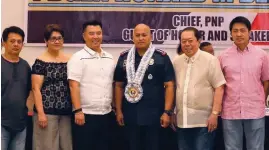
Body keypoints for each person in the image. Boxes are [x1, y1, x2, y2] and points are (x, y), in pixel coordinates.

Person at [114, 23, 175, 150]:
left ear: (150, 36)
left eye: (144, 35)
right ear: (132, 37)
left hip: (155, 115)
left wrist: (167, 112)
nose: (141, 38)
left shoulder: (161, 57)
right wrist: (118, 111)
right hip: (130, 114)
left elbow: (169, 85)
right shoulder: (124, 57)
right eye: (137, 35)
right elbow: (118, 86)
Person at [218, 16, 269, 150]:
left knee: (256, 147)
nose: (239, 34)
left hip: (255, 109)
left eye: (242, 30)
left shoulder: (262, 55)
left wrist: (260, 100)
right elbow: (219, 84)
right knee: (232, 147)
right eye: (235, 31)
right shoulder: (223, 56)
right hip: (230, 110)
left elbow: (266, 81)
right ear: (231, 33)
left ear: (249, 32)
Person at [172, 27, 226, 150]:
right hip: (182, 121)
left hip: (204, 122)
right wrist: (173, 112)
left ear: (198, 41)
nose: (187, 44)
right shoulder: (176, 61)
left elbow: (219, 87)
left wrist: (214, 114)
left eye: (190, 41)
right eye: (183, 41)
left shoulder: (210, 60)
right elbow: (174, 88)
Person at [67, 20, 115, 150]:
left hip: (106, 115)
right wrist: (78, 111)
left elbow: (112, 85)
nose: (95, 37)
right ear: (84, 36)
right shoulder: (78, 58)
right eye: (91, 33)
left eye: (98, 33)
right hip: (85, 116)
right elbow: (73, 85)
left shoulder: (109, 58)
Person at [32, 24, 72, 150]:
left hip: (66, 112)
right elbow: (36, 89)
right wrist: (41, 113)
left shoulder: (69, 60)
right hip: (47, 113)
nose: (56, 41)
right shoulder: (40, 61)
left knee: (66, 146)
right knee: (47, 147)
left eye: (59, 38)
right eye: (53, 38)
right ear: (46, 41)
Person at [1, 26, 32, 150]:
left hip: (21, 123)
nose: (16, 44)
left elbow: (30, 91)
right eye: (12, 41)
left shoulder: (25, 66)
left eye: (19, 42)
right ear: (4, 43)